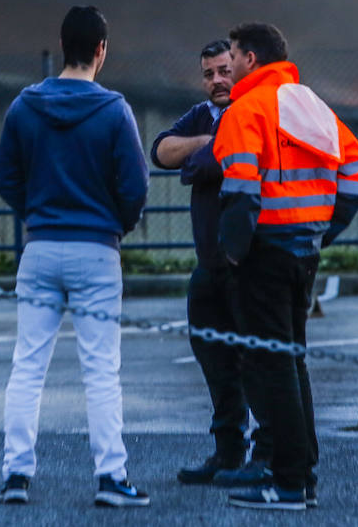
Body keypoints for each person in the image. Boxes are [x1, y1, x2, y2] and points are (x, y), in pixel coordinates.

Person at [0, 5, 152, 508]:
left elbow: (8, 180)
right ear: (101, 50)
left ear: (62, 45)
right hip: (96, 251)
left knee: (27, 364)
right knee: (101, 369)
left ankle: (15, 476)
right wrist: (117, 224)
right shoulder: (114, 110)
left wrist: (36, 213)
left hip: (39, 249)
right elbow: (135, 185)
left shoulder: (24, 106)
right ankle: (111, 477)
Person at [211, 22, 358, 511]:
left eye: (234, 56)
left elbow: (239, 190)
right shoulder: (314, 106)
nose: (230, 65)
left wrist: (233, 253)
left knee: (272, 365)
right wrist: (322, 231)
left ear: (252, 59)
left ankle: (286, 485)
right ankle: (301, 477)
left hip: (263, 254)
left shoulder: (246, 110)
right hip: (303, 254)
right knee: (292, 361)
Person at [151, 39, 271, 486]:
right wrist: (205, 143)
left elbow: (209, 168)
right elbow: (161, 152)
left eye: (224, 70)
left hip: (249, 263)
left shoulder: (255, 112)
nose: (218, 80)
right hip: (209, 266)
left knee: (258, 362)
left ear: (240, 67)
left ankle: (267, 455)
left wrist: (200, 160)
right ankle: (228, 453)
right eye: (209, 74)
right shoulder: (203, 116)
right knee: (214, 359)